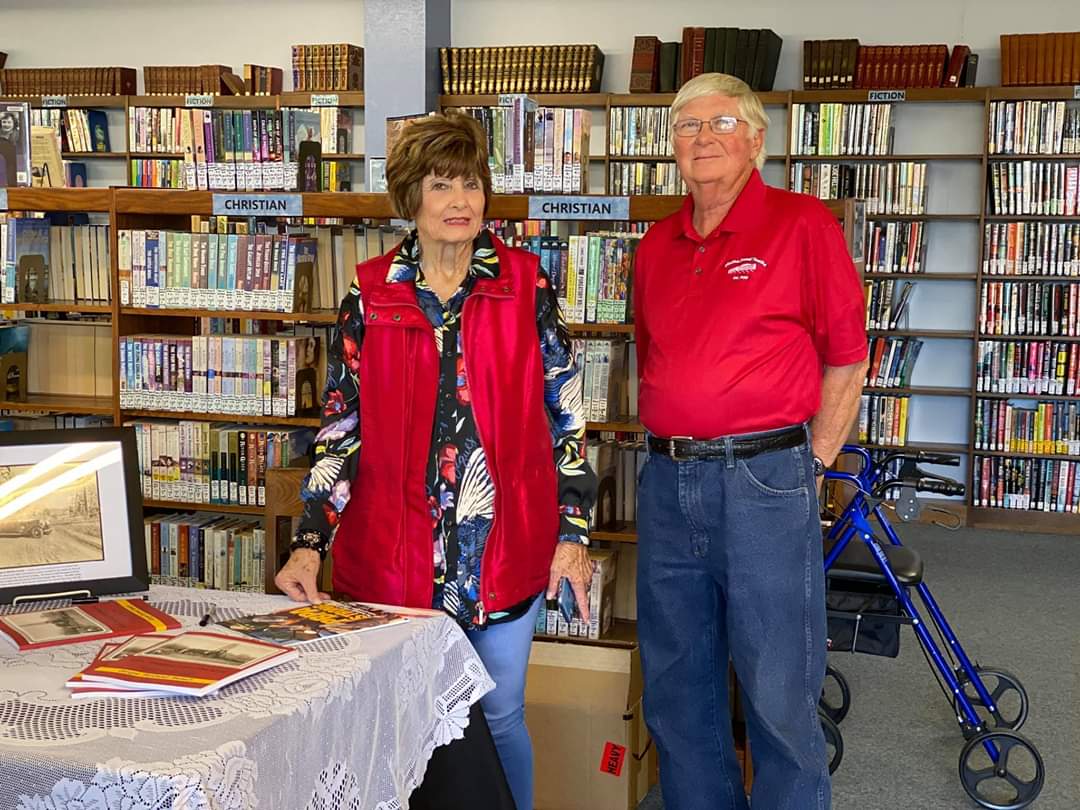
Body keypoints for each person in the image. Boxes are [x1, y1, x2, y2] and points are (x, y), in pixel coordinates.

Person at [274, 111, 597, 810]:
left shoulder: (525, 284)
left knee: (499, 716)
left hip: (502, 552)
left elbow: (567, 415)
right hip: (395, 557)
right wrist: (308, 544)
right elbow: (342, 428)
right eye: (441, 185)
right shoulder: (371, 293)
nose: (461, 202)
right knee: (396, 722)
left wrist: (572, 536)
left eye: (472, 185)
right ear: (409, 199)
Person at [632, 73, 869, 810]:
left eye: (721, 124)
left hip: (766, 478)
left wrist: (813, 462)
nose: (702, 138)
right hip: (668, 483)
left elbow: (848, 355)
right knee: (676, 685)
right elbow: (656, 355)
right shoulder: (655, 244)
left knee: (776, 685)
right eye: (687, 126)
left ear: (757, 140)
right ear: (670, 145)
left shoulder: (804, 227)